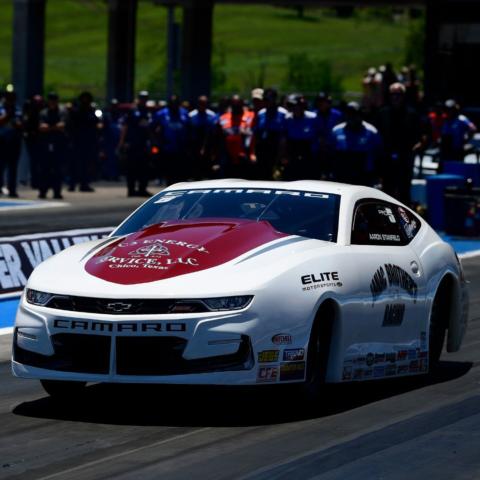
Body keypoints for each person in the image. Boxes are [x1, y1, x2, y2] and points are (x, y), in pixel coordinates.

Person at [376, 83, 427, 204]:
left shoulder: (412, 114)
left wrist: (418, 145)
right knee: (386, 191)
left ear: (403, 96)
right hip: (387, 159)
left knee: (404, 192)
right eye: (393, 94)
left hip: (405, 158)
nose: (395, 97)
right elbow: (375, 135)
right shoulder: (382, 113)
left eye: (398, 94)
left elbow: (423, 134)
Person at [330, 101, 382, 187]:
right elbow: (331, 152)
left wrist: (376, 175)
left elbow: (378, 154)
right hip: (342, 174)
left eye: (354, 114)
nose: (352, 117)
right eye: (349, 114)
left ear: (361, 114)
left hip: (363, 175)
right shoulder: (336, 130)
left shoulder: (372, 131)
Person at [118, 91, 152, 197]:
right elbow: (125, 127)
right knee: (131, 168)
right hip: (132, 144)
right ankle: (131, 190)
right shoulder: (133, 110)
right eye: (142, 98)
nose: (144, 100)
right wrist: (122, 142)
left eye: (145, 98)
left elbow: (149, 128)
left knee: (144, 167)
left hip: (143, 144)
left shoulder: (147, 111)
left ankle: (142, 189)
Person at [67, 91, 102, 192]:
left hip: (88, 141)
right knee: (74, 164)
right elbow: (71, 124)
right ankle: (72, 184)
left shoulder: (91, 110)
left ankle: (84, 184)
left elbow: (96, 123)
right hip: (77, 140)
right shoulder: (76, 111)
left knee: (86, 164)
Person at [152, 94, 190, 185]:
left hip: (181, 149)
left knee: (180, 175)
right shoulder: (161, 114)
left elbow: (189, 129)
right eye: (172, 104)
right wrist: (157, 141)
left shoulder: (184, 113)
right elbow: (152, 128)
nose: (174, 106)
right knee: (169, 174)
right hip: (166, 149)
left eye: (176, 103)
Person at [215, 95, 255, 178]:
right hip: (228, 155)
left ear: (242, 104)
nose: (236, 106)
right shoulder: (223, 117)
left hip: (244, 154)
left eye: (238, 104)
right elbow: (218, 136)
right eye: (234, 104)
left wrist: (252, 153)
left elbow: (254, 135)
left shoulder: (250, 116)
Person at [38, 92, 67, 199]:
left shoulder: (62, 111)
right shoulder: (44, 112)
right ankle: (43, 191)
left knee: (58, 169)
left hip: (58, 143)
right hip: (46, 143)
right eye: (51, 99)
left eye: (54, 99)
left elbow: (62, 125)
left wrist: (49, 128)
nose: (52, 102)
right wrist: (54, 127)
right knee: (44, 168)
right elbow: (41, 127)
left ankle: (57, 191)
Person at [254, 88, 287, 180]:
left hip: (277, 149)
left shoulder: (283, 113)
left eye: (268, 99)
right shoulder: (261, 113)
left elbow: (285, 136)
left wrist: (282, 155)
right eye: (264, 99)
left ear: (274, 99)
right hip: (263, 150)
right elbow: (257, 133)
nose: (266, 102)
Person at [282, 94, 318, 180]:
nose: (293, 108)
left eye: (295, 105)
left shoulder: (312, 118)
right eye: (290, 106)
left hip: (308, 151)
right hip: (293, 150)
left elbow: (318, 137)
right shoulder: (287, 118)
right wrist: (284, 155)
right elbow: (285, 138)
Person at [313, 92, 343, 178]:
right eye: (319, 101)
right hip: (318, 149)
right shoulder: (314, 114)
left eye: (323, 101)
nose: (321, 104)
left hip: (333, 149)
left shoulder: (337, 115)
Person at [0, 90, 23, 197]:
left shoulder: (17, 109)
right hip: (2, 141)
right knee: (1, 165)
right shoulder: (1, 108)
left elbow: (20, 124)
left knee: (13, 167)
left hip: (14, 141)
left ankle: (12, 189)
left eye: (12, 98)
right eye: (8, 98)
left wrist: (14, 119)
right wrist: (7, 115)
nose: (10, 101)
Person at [188, 95, 217, 180]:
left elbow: (213, 133)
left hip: (208, 146)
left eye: (204, 103)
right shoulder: (191, 115)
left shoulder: (212, 115)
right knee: (196, 170)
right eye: (201, 103)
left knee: (208, 171)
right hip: (195, 146)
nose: (202, 105)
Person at [23, 94, 44, 189]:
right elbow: (26, 125)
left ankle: (39, 180)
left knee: (40, 161)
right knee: (34, 161)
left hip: (41, 139)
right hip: (32, 139)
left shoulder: (43, 112)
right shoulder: (29, 111)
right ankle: (34, 181)